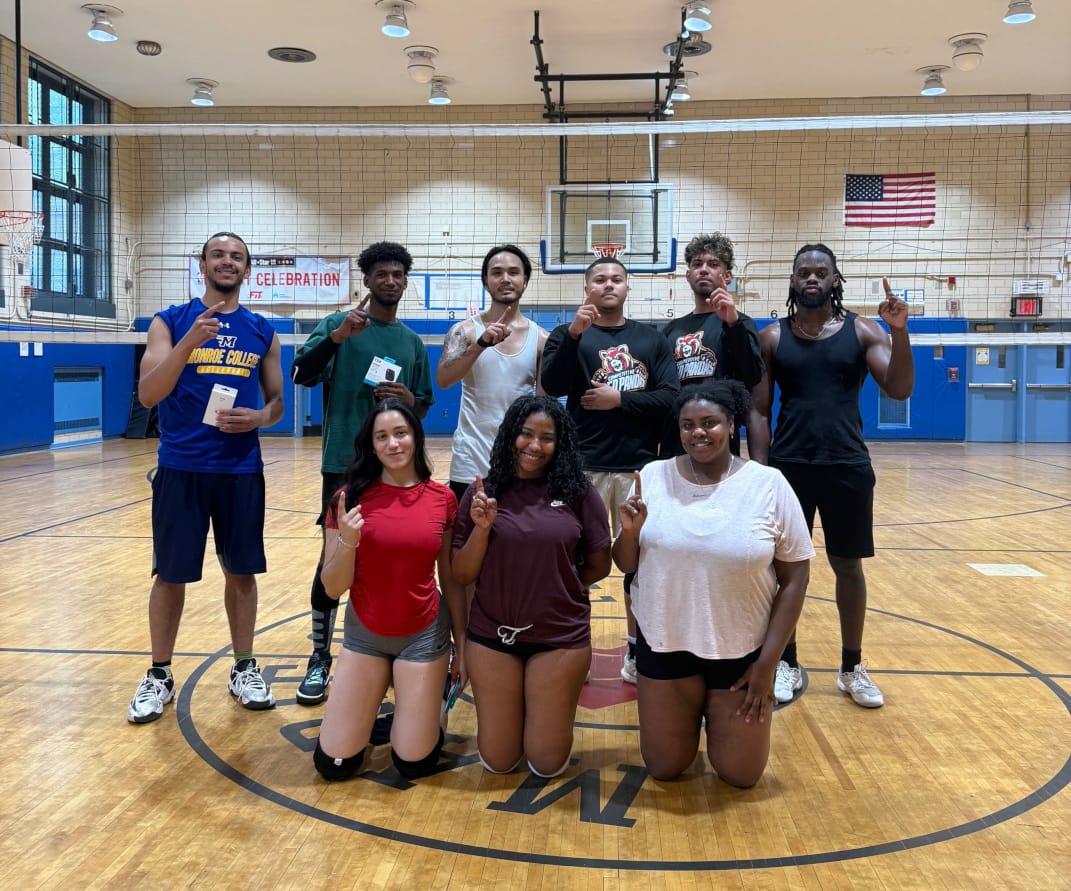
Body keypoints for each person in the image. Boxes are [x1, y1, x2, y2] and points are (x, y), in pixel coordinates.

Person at [611, 381, 813, 785]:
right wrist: (629, 533)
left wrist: (767, 665)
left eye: (709, 423)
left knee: (741, 774)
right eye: (687, 425)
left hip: (741, 653)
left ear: (731, 423)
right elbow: (625, 564)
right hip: (666, 643)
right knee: (665, 767)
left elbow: (795, 580)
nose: (697, 433)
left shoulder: (769, 483)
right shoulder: (652, 476)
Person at [128, 232, 284, 724]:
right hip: (181, 467)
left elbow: (277, 404)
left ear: (247, 270)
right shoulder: (170, 321)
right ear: (202, 266)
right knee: (170, 575)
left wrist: (259, 418)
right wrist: (188, 343)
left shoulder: (263, 331)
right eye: (218, 254)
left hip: (240, 470)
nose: (227, 261)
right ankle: (159, 673)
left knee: (242, 572)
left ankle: (244, 666)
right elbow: (149, 394)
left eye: (236, 256)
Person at [749, 243, 914, 708]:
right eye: (804, 271)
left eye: (821, 272)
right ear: (793, 279)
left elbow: (899, 389)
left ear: (835, 279)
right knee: (784, 568)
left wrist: (899, 332)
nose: (812, 278)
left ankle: (851, 667)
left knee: (848, 565)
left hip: (847, 466)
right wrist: (760, 473)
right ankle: (786, 661)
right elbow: (758, 411)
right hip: (789, 468)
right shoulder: (772, 337)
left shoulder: (864, 330)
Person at [291, 242, 434, 707]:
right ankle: (319, 657)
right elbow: (300, 374)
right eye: (381, 274)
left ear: (405, 282)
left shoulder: (412, 343)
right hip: (344, 466)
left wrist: (409, 402)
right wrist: (336, 339)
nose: (390, 281)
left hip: (397, 470)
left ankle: (389, 652)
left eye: (397, 274)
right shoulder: (341, 324)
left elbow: (422, 406)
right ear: (367, 281)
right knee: (333, 562)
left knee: (394, 561)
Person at [451, 395, 612, 777]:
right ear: (510, 435)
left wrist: (555, 586)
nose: (534, 446)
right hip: (493, 637)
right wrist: (482, 529)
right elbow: (462, 574)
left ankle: (541, 714)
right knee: (499, 761)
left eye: (547, 438)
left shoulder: (578, 492)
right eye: (526, 434)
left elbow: (599, 564)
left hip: (559, 637)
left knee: (545, 762)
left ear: (560, 444)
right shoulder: (482, 492)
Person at [540, 255, 679, 685]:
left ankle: (638, 651)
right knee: (575, 563)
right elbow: (553, 386)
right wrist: (574, 335)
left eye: (616, 278)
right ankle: (573, 646)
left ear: (626, 287)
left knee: (640, 567)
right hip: (583, 467)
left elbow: (671, 397)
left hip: (640, 468)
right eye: (599, 279)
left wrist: (620, 400)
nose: (608, 285)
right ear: (587, 288)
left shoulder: (651, 339)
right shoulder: (567, 334)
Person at [313, 399, 465, 781]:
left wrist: (462, 646)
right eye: (382, 436)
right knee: (334, 764)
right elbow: (332, 587)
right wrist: (348, 540)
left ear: (415, 437)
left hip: (423, 635)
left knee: (414, 762)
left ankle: (430, 705)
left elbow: (450, 578)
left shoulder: (443, 499)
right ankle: (382, 702)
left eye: (401, 433)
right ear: (372, 444)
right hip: (365, 635)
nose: (393, 443)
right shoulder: (347, 499)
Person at [436, 244, 548, 503]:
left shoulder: (542, 339)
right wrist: (481, 344)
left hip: (520, 461)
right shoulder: (464, 331)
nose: (505, 278)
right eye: (497, 272)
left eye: (513, 272)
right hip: (470, 461)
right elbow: (443, 380)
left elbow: (543, 406)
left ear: (525, 280)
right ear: (485, 281)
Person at [661, 232, 764, 457]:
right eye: (697, 264)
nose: (704, 269)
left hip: (719, 434)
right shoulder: (671, 330)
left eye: (713, 264)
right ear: (688, 275)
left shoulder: (741, 323)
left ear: (727, 276)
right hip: (677, 435)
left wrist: (733, 324)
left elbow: (752, 375)